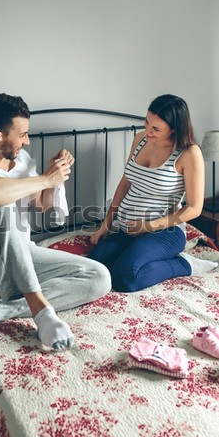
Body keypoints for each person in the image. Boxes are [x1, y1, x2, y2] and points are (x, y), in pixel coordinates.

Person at [0, 93, 111, 350]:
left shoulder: (22, 162)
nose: (27, 141)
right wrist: (44, 180)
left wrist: (54, 177)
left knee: (100, 276)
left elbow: (41, 205)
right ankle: (42, 313)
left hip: (22, 253)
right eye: (23, 134)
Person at [88, 94, 218, 292]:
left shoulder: (189, 153)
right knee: (97, 265)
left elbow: (194, 208)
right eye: (146, 122)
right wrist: (106, 224)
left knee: (126, 278)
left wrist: (148, 226)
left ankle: (184, 264)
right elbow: (125, 183)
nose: (148, 130)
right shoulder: (140, 139)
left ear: (174, 128)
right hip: (128, 228)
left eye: (156, 128)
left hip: (164, 231)